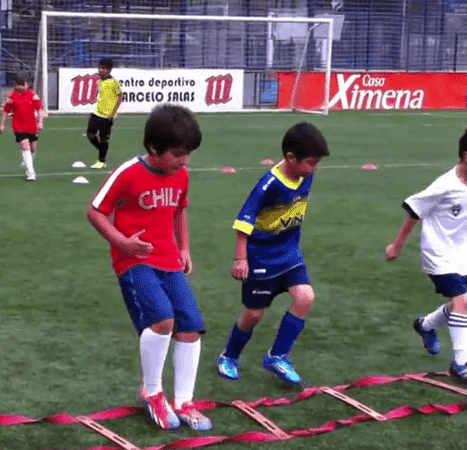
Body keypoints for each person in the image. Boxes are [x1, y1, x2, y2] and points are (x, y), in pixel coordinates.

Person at [86, 104, 210, 431]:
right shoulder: (129, 173)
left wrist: (184, 248)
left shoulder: (180, 175)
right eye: (177, 154)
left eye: (188, 154)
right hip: (134, 260)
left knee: (190, 326)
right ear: (154, 148)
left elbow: (180, 209)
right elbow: (95, 211)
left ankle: (184, 401)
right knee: (163, 319)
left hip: (169, 259)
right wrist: (122, 242)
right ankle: (152, 392)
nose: (184, 161)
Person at [385, 123, 467, 387]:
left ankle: (426, 325)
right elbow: (414, 211)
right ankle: (461, 363)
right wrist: (396, 245)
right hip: (438, 253)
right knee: (463, 303)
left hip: (462, 252)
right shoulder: (444, 186)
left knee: (460, 305)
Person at [216, 123, 330, 387]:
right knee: (253, 315)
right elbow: (244, 221)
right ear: (291, 158)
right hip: (261, 259)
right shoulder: (268, 185)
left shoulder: (304, 174)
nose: (314, 168)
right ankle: (229, 356)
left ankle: (277, 356)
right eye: (311, 162)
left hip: (289, 254)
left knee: (305, 298)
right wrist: (240, 259)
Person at [0, 78, 45, 181]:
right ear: (17, 86)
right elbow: (5, 111)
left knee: (33, 148)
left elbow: (39, 109)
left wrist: (40, 122)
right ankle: (31, 173)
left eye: (24, 86)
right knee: (25, 147)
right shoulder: (12, 97)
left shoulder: (33, 95)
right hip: (18, 126)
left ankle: (27, 162)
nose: (23, 88)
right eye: (20, 86)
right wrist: (2, 124)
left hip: (32, 126)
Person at [87, 58, 124, 169]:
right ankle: (102, 150)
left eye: (103, 68)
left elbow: (120, 97)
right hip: (97, 113)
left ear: (109, 70)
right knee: (90, 134)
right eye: (100, 67)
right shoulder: (100, 81)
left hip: (107, 116)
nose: (101, 70)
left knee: (103, 139)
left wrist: (113, 114)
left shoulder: (113, 82)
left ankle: (101, 161)